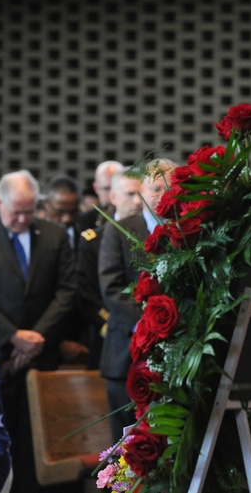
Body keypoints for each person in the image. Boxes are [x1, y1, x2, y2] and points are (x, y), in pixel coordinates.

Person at [0, 170, 77, 493]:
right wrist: (14, 336)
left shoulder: (54, 235)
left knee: (39, 446)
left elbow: (66, 292)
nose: (22, 218)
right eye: (15, 211)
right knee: (1, 447)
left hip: (42, 354)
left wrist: (35, 337)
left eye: (28, 211)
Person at [98, 159, 176, 441]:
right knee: (125, 445)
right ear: (141, 189)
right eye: (155, 188)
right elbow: (111, 288)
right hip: (125, 355)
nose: (161, 195)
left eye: (169, 188)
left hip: (173, 358)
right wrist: (152, 324)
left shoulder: (185, 232)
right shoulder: (119, 229)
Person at [77, 169, 143, 370]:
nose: (138, 202)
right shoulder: (93, 240)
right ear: (113, 197)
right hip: (109, 334)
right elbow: (87, 292)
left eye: (141, 194)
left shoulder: (152, 235)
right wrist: (113, 319)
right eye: (130, 194)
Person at [78, 160, 125, 230]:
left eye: (116, 188)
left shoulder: (139, 218)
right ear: (96, 188)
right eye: (106, 189)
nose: (112, 195)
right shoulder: (85, 221)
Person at [43, 173, 82, 249]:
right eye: (59, 212)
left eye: (73, 212)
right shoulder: (34, 236)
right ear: (46, 204)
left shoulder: (86, 235)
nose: (67, 218)